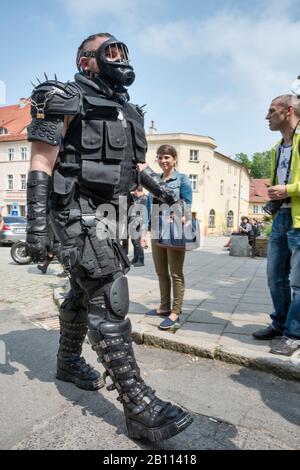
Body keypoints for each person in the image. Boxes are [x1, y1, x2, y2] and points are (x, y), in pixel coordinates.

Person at [26, 32, 192, 442]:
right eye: (109, 51)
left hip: (114, 215)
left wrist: (162, 189)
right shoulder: (60, 97)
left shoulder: (130, 111)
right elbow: (40, 164)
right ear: (86, 61)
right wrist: (35, 227)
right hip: (74, 211)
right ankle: (139, 406)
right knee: (109, 296)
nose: (119, 57)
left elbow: (134, 168)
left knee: (83, 293)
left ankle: (67, 361)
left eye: (122, 51)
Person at [252, 95, 300, 356]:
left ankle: (294, 334)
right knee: (275, 276)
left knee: (298, 281)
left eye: (272, 110)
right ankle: (280, 323)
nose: (267, 116)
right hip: (282, 216)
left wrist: (288, 189)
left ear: (289, 111)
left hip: (299, 217)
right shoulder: (277, 148)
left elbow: (288, 186)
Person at [142, 145, 192, 330]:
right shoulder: (153, 180)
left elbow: (187, 204)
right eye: (160, 157)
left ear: (174, 159)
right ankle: (164, 307)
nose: (163, 161)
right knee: (161, 272)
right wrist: (144, 233)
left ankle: (175, 311)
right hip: (156, 230)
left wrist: (176, 213)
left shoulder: (183, 180)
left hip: (173, 231)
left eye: (167, 157)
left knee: (175, 273)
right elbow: (149, 207)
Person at [129, 186, 147, 267]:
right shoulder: (137, 198)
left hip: (138, 224)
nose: (133, 192)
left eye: (134, 191)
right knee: (134, 242)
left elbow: (143, 213)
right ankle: (135, 258)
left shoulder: (144, 199)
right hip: (133, 223)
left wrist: (137, 223)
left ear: (137, 190)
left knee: (137, 242)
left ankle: (140, 260)